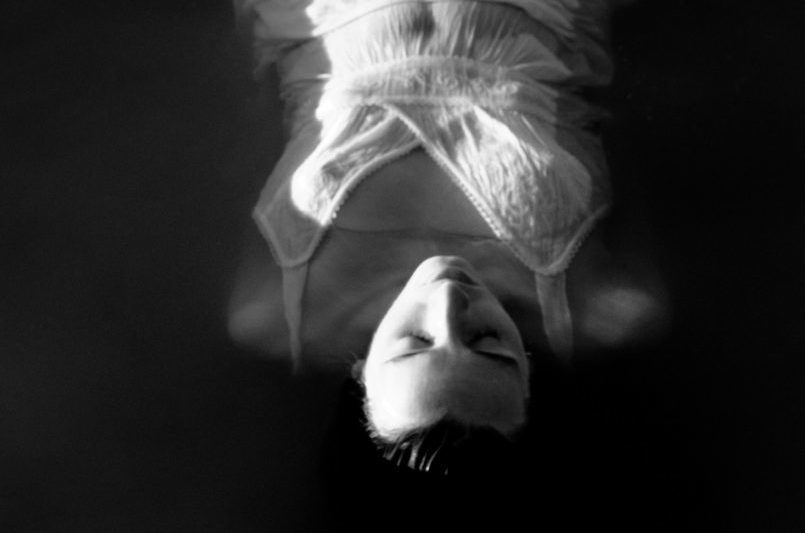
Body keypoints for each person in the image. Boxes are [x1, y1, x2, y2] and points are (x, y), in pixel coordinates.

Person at [227, 0, 664, 467]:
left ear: (361, 377)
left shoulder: (273, 313)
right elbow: (627, 124)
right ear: (530, 376)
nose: (448, 300)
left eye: (416, 342)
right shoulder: (602, 306)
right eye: (488, 343)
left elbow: (250, 125)